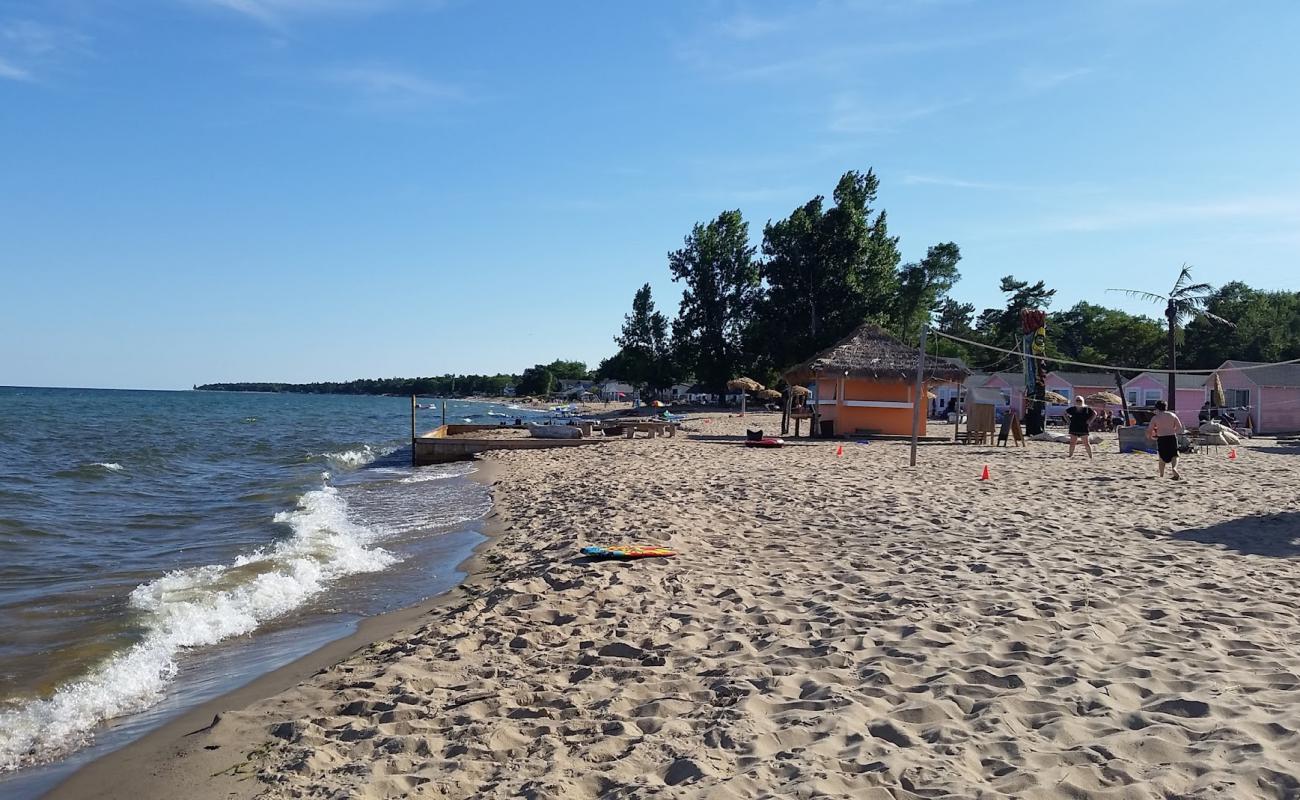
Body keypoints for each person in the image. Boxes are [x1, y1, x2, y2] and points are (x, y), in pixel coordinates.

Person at [1147, 399, 1184, 480]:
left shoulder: (1155, 418)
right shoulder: (1172, 415)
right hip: (1171, 437)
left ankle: (1161, 475)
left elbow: (1150, 430)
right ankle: (1174, 468)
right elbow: (1180, 428)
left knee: (1162, 457)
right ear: (1165, 407)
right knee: (1175, 455)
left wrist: (1150, 437)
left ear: (1157, 408)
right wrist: (1173, 431)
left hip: (1161, 438)